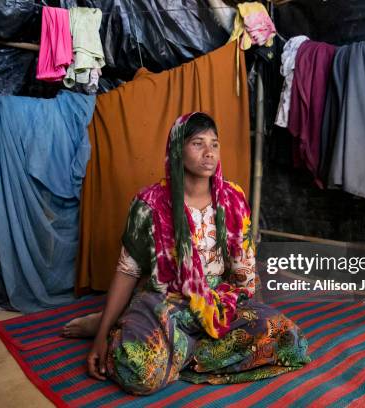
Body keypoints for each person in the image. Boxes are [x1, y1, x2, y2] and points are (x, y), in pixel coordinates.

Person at [62, 112, 310, 395]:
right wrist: (102, 335)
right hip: (165, 302)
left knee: (288, 338)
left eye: (214, 144)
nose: (209, 153)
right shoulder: (150, 203)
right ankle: (116, 323)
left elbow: (245, 267)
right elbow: (127, 270)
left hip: (219, 302)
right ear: (177, 149)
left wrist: (257, 311)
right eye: (198, 144)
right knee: (140, 373)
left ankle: (172, 348)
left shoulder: (233, 197)